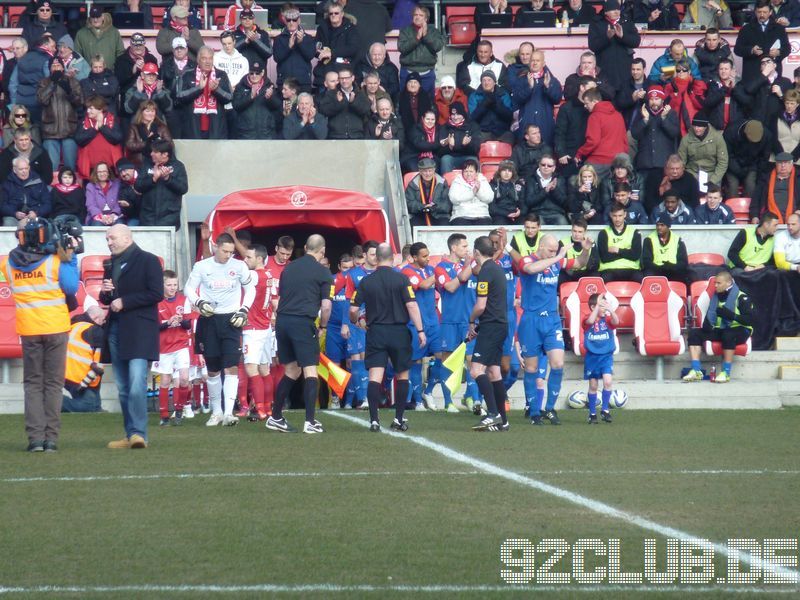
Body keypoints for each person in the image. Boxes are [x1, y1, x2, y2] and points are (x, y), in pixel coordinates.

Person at [1, 217, 78, 452]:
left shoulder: (8, 264)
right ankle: (50, 439)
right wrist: (71, 256)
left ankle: (34, 439)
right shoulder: (55, 262)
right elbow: (72, 287)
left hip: (29, 330)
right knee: (53, 384)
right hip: (55, 328)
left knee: (32, 384)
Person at [512, 233, 593, 425]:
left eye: (555, 251)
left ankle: (549, 409)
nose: (553, 253)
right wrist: (557, 257)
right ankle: (533, 412)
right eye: (550, 250)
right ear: (541, 247)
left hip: (552, 320)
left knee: (557, 364)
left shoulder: (556, 261)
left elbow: (580, 262)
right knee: (531, 368)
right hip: (531, 320)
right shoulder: (527, 260)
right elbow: (530, 269)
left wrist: (587, 249)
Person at [347, 242, 423, 430]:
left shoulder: (366, 281)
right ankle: (399, 418)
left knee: (375, 376)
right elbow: (412, 306)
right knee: (402, 375)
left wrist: (356, 320)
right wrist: (421, 331)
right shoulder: (402, 279)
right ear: (393, 257)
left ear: (376, 258)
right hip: (398, 331)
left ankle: (374, 420)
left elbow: (353, 309)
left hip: (376, 332)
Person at [100, 224, 163, 449]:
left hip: (140, 331)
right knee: (123, 387)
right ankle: (130, 435)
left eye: (112, 238)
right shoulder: (110, 263)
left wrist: (125, 301)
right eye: (107, 239)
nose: (109, 242)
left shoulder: (148, 260)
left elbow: (156, 293)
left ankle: (139, 433)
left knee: (136, 384)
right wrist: (106, 292)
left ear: (127, 237)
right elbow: (107, 299)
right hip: (116, 330)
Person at [185, 232, 255, 427]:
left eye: (231, 252)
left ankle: (228, 413)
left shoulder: (239, 266)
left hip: (232, 319)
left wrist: (244, 309)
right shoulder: (202, 266)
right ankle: (216, 412)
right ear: (215, 247)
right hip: (209, 319)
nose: (228, 255)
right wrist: (198, 301)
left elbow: (251, 289)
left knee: (231, 365)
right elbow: (189, 288)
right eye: (225, 251)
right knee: (213, 368)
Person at [267, 234, 332, 434]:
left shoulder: (288, 269)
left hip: (283, 322)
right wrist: (323, 326)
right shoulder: (323, 273)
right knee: (310, 370)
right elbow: (326, 306)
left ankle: (276, 417)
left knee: (292, 370)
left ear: (305, 247)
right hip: (302, 323)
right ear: (322, 252)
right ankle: (310, 421)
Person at [467, 236, 510, 431]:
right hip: (500, 325)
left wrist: (471, 320)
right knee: (494, 372)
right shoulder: (497, 268)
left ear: (477, 253)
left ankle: (492, 413)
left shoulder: (486, 272)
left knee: (475, 369)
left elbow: (481, 305)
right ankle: (504, 420)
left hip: (491, 325)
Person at [682, 270, 753, 383]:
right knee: (694, 333)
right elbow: (711, 316)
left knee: (728, 335)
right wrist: (707, 325)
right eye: (715, 283)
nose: (715, 285)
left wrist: (731, 315)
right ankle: (696, 370)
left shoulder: (741, 297)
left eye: (718, 283)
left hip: (741, 329)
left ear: (729, 283)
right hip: (721, 329)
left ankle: (726, 372)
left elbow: (750, 320)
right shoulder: (715, 298)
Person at [400, 242, 441, 411]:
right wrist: (440, 272)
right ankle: (417, 402)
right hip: (416, 323)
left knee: (443, 357)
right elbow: (423, 285)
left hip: (433, 322)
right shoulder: (407, 271)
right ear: (414, 257)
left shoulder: (431, 270)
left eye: (428, 255)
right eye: (424, 256)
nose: (428, 258)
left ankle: (429, 391)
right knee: (416, 361)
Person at [154, 270, 193, 426]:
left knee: (184, 379)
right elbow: (154, 327)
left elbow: (188, 324)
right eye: (169, 285)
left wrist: (180, 321)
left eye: (175, 284)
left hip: (181, 344)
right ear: (162, 285)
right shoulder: (156, 303)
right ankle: (164, 416)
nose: (172, 288)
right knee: (165, 381)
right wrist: (168, 323)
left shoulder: (184, 300)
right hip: (164, 347)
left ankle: (179, 410)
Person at [632, 87, 680, 212]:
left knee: (662, 196)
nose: (654, 102)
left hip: (662, 165)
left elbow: (674, 133)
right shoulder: (642, 112)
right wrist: (645, 120)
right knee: (644, 197)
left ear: (662, 100)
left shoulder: (670, 113)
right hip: (645, 164)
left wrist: (664, 119)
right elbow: (634, 134)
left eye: (657, 99)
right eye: (651, 99)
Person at [344, 240, 378, 410]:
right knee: (358, 360)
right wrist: (346, 323)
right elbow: (348, 302)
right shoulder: (353, 274)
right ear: (364, 255)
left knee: (375, 360)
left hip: (378, 323)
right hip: (357, 323)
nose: (376, 257)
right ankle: (362, 398)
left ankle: (373, 396)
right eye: (372, 254)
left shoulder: (383, 272)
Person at [175, 46, 233, 139]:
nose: (208, 61)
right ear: (198, 60)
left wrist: (216, 90)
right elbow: (179, 96)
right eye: (204, 58)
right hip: (193, 128)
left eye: (210, 58)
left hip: (216, 129)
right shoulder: (187, 74)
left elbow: (229, 97)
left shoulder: (221, 75)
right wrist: (199, 88)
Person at [510, 50, 562, 147]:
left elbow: (557, 99)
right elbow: (516, 100)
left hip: (545, 125)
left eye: (537, 60)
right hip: (526, 124)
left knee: (545, 156)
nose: (534, 63)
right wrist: (529, 88)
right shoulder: (521, 79)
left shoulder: (551, 79)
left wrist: (548, 87)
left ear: (543, 63)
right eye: (532, 60)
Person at [134, 138, 188, 228]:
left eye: (155, 152)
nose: (151, 154)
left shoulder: (178, 166)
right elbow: (138, 186)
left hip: (169, 218)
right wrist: (153, 179)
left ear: (165, 154)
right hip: (148, 218)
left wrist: (168, 178)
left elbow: (183, 188)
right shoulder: (147, 165)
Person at [588, 0, 640, 92]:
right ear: (606, 12)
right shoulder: (596, 22)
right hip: (605, 68)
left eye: (618, 9)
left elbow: (636, 42)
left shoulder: (626, 21)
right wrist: (607, 37)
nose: (616, 12)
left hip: (625, 68)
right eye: (613, 9)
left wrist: (622, 36)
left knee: (625, 98)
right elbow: (593, 46)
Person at [63, 304, 107, 413]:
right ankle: (53, 402)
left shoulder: (73, 324)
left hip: (66, 374)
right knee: (88, 407)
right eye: (103, 320)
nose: (104, 323)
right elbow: (98, 365)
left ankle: (97, 408)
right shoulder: (96, 331)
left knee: (94, 405)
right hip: (80, 377)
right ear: (96, 318)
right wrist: (84, 384)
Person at [575, 88, 628, 178]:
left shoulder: (594, 116)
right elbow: (624, 140)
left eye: (587, 103)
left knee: (587, 184)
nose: (585, 106)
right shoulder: (618, 115)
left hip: (598, 161)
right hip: (617, 162)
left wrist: (579, 153)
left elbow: (593, 141)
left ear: (595, 101)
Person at [583, 292, 618, 424]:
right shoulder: (587, 319)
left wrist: (610, 310)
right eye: (602, 306)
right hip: (592, 357)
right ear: (593, 307)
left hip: (606, 356)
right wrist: (598, 306)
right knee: (593, 385)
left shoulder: (607, 320)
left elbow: (616, 321)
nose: (604, 308)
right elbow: (590, 321)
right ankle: (592, 413)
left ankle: (605, 410)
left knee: (608, 382)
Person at [735, 0, 790, 83]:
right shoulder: (746, 29)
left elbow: (787, 48)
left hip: (773, 73)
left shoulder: (779, 29)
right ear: (755, 12)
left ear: (770, 12)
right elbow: (737, 49)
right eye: (759, 12)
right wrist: (751, 50)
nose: (762, 15)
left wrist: (779, 52)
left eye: (765, 12)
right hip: (752, 74)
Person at [312, 1, 362, 90]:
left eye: (336, 13)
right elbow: (316, 47)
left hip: (343, 71)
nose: (333, 15)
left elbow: (353, 48)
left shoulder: (351, 28)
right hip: (324, 71)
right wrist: (319, 52)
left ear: (342, 14)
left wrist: (331, 53)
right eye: (331, 13)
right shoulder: (322, 28)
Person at [554, 75, 594, 182]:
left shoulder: (595, 108)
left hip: (590, 156)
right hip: (570, 157)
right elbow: (559, 133)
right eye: (592, 88)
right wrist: (561, 153)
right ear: (582, 88)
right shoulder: (567, 107)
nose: (594, 92)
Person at [398, 4, 443, 97]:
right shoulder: (405, 31)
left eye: (421, 15)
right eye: (415, 15)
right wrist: (417, 38)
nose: (417, 17)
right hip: (408, 71)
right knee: (405, 102)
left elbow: (437, 47)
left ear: (426, 19)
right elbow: (402, 48)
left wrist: (426, 35)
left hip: (427, 72)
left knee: (428, 103)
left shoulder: (434, 31)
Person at [75, 95, 123, 181]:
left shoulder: (112, 119)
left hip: (110, 168)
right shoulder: (83, 121)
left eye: (91, 108)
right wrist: (94, 130)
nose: (88, 111)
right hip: (90, 168)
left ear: (100, 109)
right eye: (87, 108)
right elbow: (79, 140)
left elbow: (117, 138)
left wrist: (102, 127)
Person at [319, 65, 371, 139]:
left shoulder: (359, 93)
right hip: (336, 136)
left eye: (346, 78)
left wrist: (353, 102)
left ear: (352, 78)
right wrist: (338, 104)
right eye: (341, 78)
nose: (344, 81)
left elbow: (366, 110)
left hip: (356, 136)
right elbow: (323, 110)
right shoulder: (332, 93)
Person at [232, 60, 280, 139]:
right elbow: (236, 105)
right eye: (251, 73)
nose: (254, 75)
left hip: (266, 133)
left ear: (262, 73)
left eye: (257, 73)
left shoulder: (269, 85)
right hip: (246, 134)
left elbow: (277, 105)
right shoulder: (240, 86)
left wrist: (270, 98)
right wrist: (250, 97)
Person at [677, 116, 728, 189]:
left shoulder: (717, 138)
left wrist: (713, 180)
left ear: (706, 126)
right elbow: (681, 162)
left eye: (700, 126)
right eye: (695, 126)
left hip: (712, 173)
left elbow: (723, 162)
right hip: (692, 172)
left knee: (713, 195)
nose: (696, 129)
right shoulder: (686, 139)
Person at [597, 202, 643, 282]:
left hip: (631, 269)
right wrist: (627, 252)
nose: (617, 219)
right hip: (609, 269)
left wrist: (617, 250)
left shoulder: (634, 232)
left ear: (625, 214)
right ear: (610, 215)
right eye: (615, 216)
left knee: (641, 280)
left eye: (620, 215)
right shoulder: (603, 233)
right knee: (603, 280)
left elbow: (635, 255)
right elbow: (604, 258)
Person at [272, 7, 316, 91]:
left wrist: (301, 43)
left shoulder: (308, 37)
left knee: (304, 104)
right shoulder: (279, 38)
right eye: (289, 20)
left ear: (299, 20)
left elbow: (310, 56)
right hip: (285, 82)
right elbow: (277, 58)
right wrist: (288, 47)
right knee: (286, 104)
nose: (291, 23)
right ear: (284, 20)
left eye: (294, 20)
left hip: (303, 82)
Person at [160, 37, 196, 138]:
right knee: (174, 138)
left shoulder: (194, 65)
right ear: (172, 50)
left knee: (190, 137)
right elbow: (161, 86)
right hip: (172, 108)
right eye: (176, 48)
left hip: (189, 107)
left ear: (186, 49)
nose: (179, 50)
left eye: (181, 48)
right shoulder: (165, 66)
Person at [1, 157, 52, 227]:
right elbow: (2, 205)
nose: (24, 171)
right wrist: (14, 213)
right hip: (13, 217)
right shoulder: (7, 184)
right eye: (21, 169)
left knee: (42, 225)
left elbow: (48, 204)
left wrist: (36, 213)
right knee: (8, 223)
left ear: (29, 168)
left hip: (35, 216)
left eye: (26, 168)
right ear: (14, 170)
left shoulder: (39, 182)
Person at [520, 154, 569, 225]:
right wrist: (545, 191)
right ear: (539, 165)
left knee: (563, 224)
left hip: (556, 213)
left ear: (554, 168)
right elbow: (529, 201)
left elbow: (565, 202)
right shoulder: (531, 179)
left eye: (549, 166)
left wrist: (554, 190)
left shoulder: (560, 179)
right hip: (537, 214)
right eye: (543, 165)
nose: (546, 167)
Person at [468, 71, 514, 143]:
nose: (486, 83)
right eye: (484, 80)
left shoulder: (503, 94)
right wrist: (484, 105)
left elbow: (509, 116)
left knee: (510, 137)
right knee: (475, 140)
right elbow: (472, 117)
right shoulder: (474, 95)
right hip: (482, 131)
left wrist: (496, 105)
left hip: (501, 132)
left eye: (489, 80)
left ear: (494, 82)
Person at [74, 6, 124, 71]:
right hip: (89, 76)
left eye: (98, 17)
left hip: (110, 74)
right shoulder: (81, 34)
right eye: (93, 17)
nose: (95, 20)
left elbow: (120, 53)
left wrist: (117, 70)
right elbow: (77, 56)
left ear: (103, 17)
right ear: (90, 18)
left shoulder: (114, 32)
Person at [125, 100, 173, 166]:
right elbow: (129, 145)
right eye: (147, 111)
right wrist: (147, 142)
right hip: (140, 161)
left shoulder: (162, 127)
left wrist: (157, 144)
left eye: (152, 111)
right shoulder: (134, 127)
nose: (150, 113)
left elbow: (170, 144)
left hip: (158, 161)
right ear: (141, 112)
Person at [405, 157, 451, 226]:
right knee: (414, 224)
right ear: (420, 171)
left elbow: (447, 204)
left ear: (434, 170)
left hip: (438, 214)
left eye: (430, 171)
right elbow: (409, 203)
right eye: (425, 171)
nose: (428, 174)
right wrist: (423, 206)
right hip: (420, 214)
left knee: (444, 223)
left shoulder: (442, 183)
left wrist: (434, 207)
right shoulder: (413, 184)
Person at [642, 214, 688, 282]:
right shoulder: (648, 240)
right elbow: (646, 262)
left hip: (673, 270)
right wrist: (661, 268)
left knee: (688, 276)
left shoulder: (678, 240)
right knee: (647, 275)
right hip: (656, 271)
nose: (659, 227)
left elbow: (683, 262)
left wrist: (670, 267)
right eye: (657, 225)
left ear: (668, 226)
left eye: (662, 225)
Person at [448, 159, 493, 225]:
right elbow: (454, 199)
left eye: (471, 171)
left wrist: (478, 191)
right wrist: (472, 193)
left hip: (482, 215)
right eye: (466, 171)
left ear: (476, 172)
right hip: (461, 215)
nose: (468, 174)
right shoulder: (457, 181)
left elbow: (489, 198)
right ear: (462, 172)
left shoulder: (482, 180)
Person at [85, 162, 123, 226]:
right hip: (96, 217)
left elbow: (119, 202)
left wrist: (113, 214)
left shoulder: (117, 184)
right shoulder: (90, 186)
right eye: (99, 172)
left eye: (104, 171)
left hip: (114, 216)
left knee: (120, 225)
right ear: (96, 173)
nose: (102, 174)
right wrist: (101, 216)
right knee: (97, 225)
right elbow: (90, 205)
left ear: (108, 172)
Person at [489, 160, 522, 225]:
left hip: (516, 214)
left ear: (513, 173)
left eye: (509, 171)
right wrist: (507, 214)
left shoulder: (519, 185)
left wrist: (520, 211)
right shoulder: (492, 185)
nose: (507, 173)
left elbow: (523, 203)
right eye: (504, 170)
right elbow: (492, 208)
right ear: (499, 172)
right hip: (499, 215)